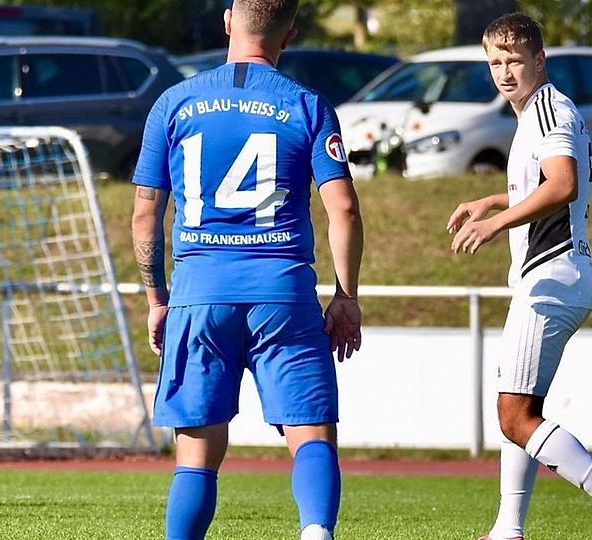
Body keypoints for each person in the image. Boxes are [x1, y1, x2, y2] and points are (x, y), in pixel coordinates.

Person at [130, 1, 364, 539]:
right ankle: (315, 533)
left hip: (198, 293)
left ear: (229, 21)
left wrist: (156, 299)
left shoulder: (174, 103)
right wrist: (346, 296)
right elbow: (343, 208)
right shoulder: (307, 104)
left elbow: (146, 212)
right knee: (311, 436)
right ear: (291, 34)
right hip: (283, 294)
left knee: (197, 452)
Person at [447, 13, 592, 540]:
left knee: (513, 415)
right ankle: (506, 528)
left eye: (515, 59)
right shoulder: (539, 112)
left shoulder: (546, 109)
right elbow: (548, 185)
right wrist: (491, 200)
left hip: (550, 274)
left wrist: (497, 222)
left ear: (539, 60)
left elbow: (561, 185)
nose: (504, 71)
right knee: (520, 407)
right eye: (495, 61)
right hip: (561, 272)